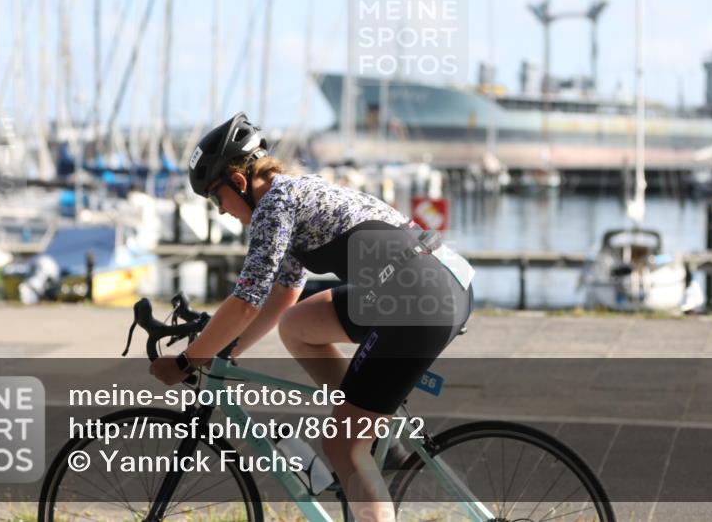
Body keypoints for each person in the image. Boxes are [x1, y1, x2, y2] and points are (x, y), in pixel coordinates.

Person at [151, 112, 473, 522]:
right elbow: (283, 297)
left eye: (216, 198)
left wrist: (186, 360)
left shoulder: (274, 206)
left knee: (341, 445)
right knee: (299, 326)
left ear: (237, 181)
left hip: (418, 302)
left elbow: (247, 300)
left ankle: (362, 440)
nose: (220, 211)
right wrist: (226, 352)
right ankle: (375, 434)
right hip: (427, 288)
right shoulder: (291, 196)